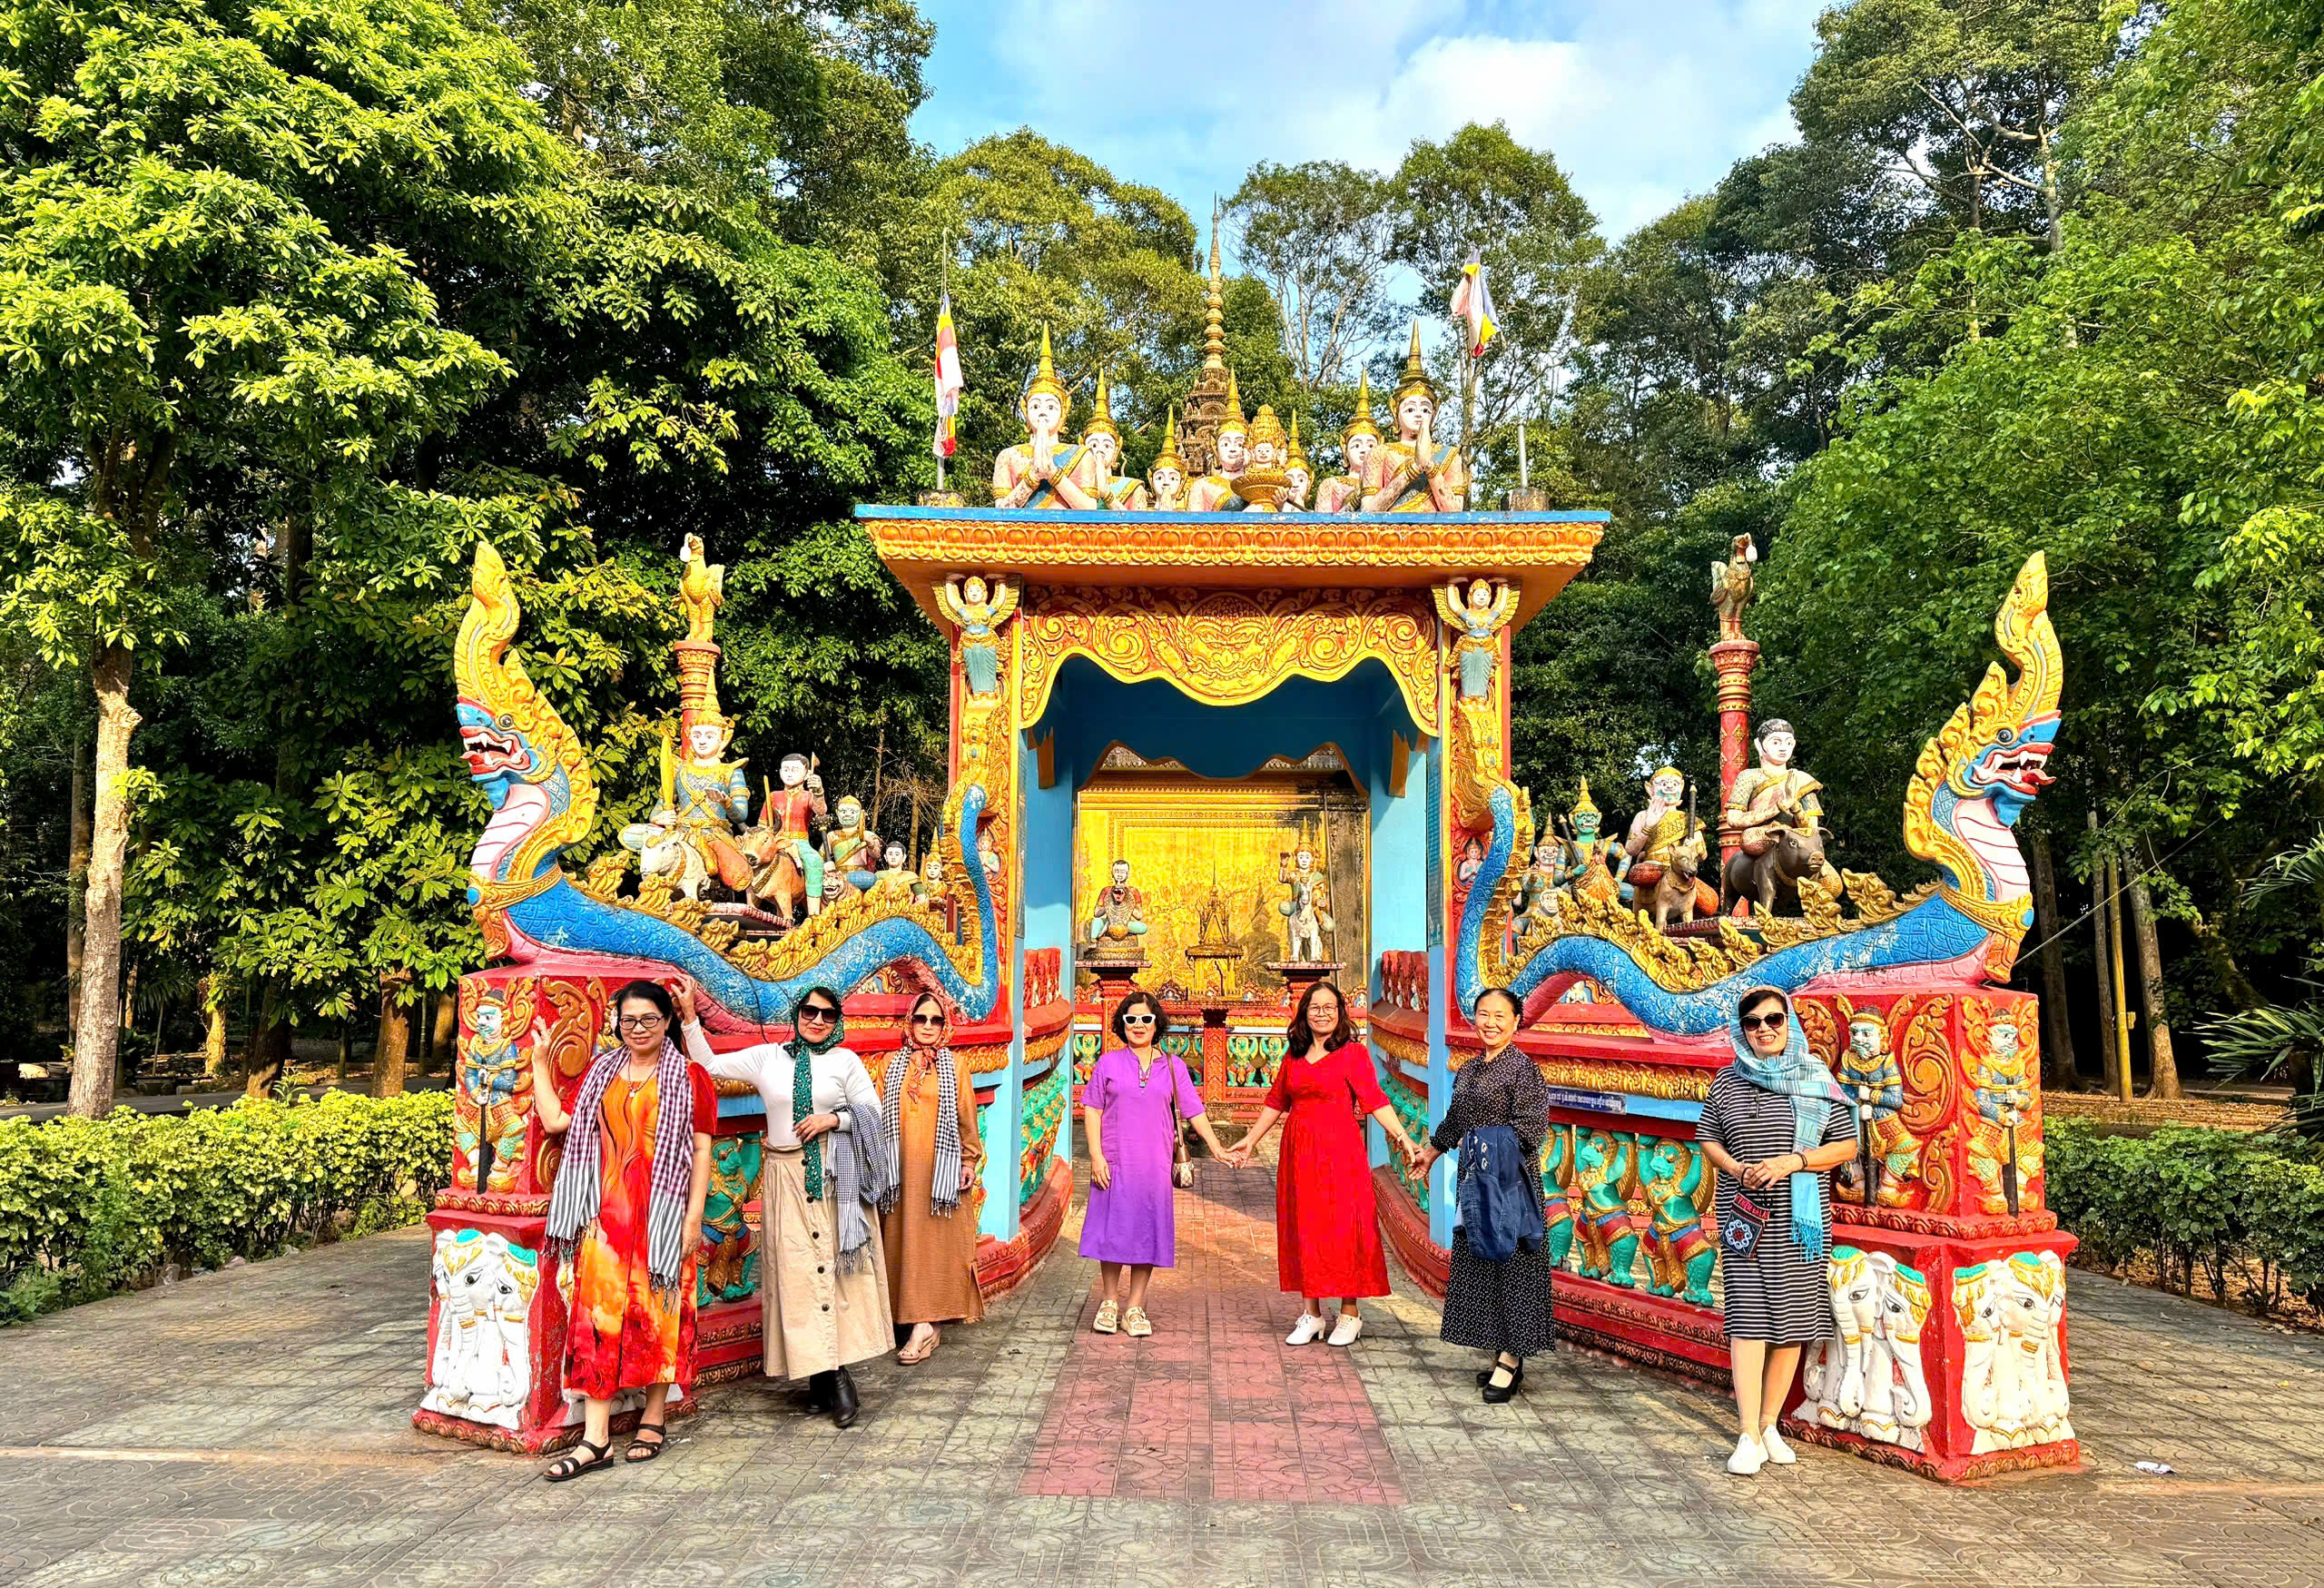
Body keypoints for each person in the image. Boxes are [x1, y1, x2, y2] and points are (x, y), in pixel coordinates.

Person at [675, 982, 892, 1428]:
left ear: (837, 1021)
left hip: (833, 1175)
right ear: (797, 1015)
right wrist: (690, 1017)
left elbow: (875, 1114)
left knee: (834, 1273)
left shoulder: (845, 1062)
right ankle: (819, 1378)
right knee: (797, 1277)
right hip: (783, 1176)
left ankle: (837, 1377)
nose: (818, 1020)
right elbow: (709, 1065)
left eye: (828, 1015)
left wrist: (833, 1118)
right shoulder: (768, 1058)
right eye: (810, 1011)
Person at [532, 981, 714, 1479]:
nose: (638, 1029)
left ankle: (654, 1418)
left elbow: (702, 1149)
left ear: (667, 1021)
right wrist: (540, 1063)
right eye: (629, 1020)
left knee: (659, 1315)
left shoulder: (691, 1077)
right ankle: (596, 1440)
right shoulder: (602, 1073)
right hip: (605, 1222)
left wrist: (693, 1218)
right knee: (597, 1322)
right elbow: (556, 1121)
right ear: (618, 1023)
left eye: (649, 1019)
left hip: (664, 1217)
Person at [1696, 984, 1856, 1475]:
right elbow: (1708, 1139)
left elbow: (1846, 1146)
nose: (1764, 1029)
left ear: (1789, 1023)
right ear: (1740, 1030)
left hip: (1801, 1217)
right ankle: (1747, 1433)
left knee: (1793, 1322)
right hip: (1744, 1213)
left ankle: (1770, 1425)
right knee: (1748, 1320)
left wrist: (1794, 1161)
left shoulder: (1816, 1078)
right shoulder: (1727, 1081)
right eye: (1752, 1022)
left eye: (1773, 1019)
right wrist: (1736, 1168)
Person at [1226, 981, 1421, 1346]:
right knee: (1305, 1225)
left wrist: (1402, 1136)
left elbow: (1375, 1099)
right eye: (1315, 1007)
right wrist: (1250, 1141)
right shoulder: (1294, 1054)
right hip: (1299, 1151)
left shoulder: (1352, 1053)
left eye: (1330, 1007)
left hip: (1341, 1151)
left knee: (1345, 1226)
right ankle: (1312, 1313)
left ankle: (1349, 1313)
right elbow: (1276, 1101)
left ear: (1340, 1013)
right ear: (1304, 1013)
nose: (1322, 1014)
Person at [1412, 986, 1553, 1404]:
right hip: (1475, 1185)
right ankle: (1497, 1350)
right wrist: (1432, 1153)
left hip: (1510, 1187)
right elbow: (1457, 1119)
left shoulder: (1523, 1070)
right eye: (1483, 1014)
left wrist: (1480, 1144)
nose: (1490, 1023)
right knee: (1482, 1264)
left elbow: (1531, 1131)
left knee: (1513, 1266)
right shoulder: (1470, 1069)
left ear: (1516, 1021)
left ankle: (1511, 1358)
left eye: (1499, 1016)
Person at [1078, 988, 1232, 1336]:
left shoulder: (1173, 1067)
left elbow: (1193, 1110)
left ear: (1156, 1023)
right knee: (1112, 1230)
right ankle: (1109, 1301)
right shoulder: (1108, 1063)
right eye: (1131, 1018)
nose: (1138, 1025)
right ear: (1122, 1023)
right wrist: (1096, 1155)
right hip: (1114, 1160)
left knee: (1147, 1230)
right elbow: (1092, 1110)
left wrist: (1216, 1146)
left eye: (1145, 1019)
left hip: (1154, 1164)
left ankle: (1135, 1306)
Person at [881, 993, 986, 1364]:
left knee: (936, 1248)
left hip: (941, 1177)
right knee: (906, 1244)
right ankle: (920, 1322)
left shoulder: (956, 1066)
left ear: (945, 1025)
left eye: (936, 1020)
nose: (928, 1026)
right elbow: (875, 1115)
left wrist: (969, 1161)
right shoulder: (890, 1064)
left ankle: (924, 1324)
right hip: (899, 1176)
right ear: (909, 1022)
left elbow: (967, 1118)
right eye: (921, 1018)